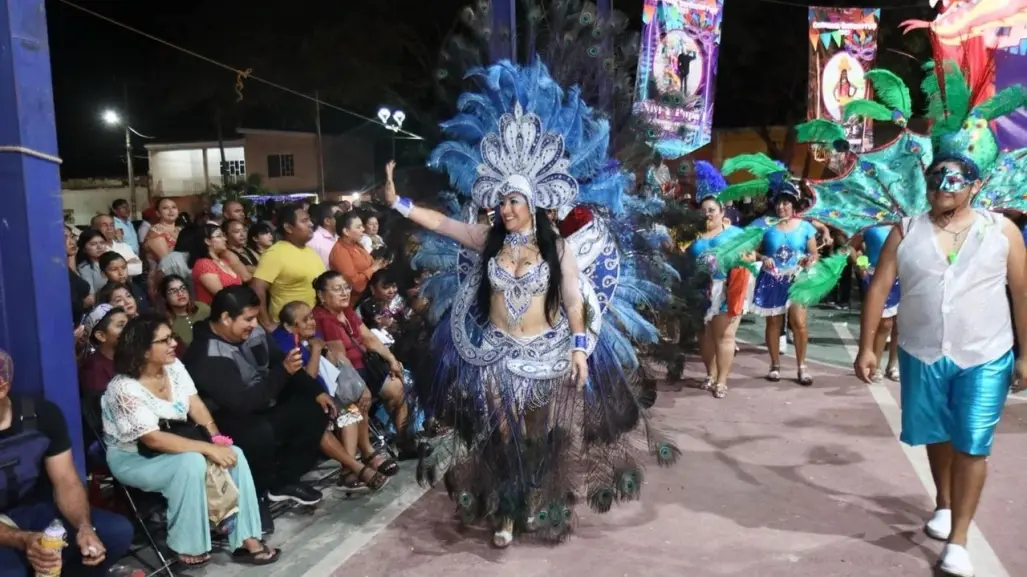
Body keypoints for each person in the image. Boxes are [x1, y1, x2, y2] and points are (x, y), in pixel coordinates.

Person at [382, 60, 680, 547]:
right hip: (497, 354)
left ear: (535, 204)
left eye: (514, 202)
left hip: (545, 354)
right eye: (502, 202)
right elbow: (441, 225)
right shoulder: (487, 239)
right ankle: (506, 512)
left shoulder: (555, 247)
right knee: (503, 436)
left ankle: (535, 499)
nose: (506, 209)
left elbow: (571, 296)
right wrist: (398, 203)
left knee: (537, 435)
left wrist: (580, 349)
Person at [795, 59, 1027, 576]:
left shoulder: (1003, 233)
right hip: (921, 351)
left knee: (972, 440)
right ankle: (944, 506)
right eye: (936, 176)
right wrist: (867, 347)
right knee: (938, 435)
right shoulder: (905, 229)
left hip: (985, 353)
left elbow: (1022, 294)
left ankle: (960, 539)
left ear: (974, 183)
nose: (943, 184)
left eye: (955, 178)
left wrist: (1026, 355)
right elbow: (878, 287)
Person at [101, 315, 279, 567]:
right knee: (191, 464)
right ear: (142, 350)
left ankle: (246, 538)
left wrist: (217, 440)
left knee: (233, 453)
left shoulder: (172, 367)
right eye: (164, 340)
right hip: (134, 458)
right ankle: (186, 544)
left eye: (171, 336)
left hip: (179, 442)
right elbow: (152, 439)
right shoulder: (123, 389)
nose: (174, 343)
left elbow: (195, 404)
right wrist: (208, 448)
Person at [182, 285, 326, 533]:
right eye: (247, 319)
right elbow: (242, 402)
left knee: (313, 410)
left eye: (255, 317)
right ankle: (255, 497)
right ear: (226, 318)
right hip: (227, 418)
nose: (254, 324)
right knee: (258, 433)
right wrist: (282, 372)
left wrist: (317, 392)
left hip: (263, 400)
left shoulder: (254, 332)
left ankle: (283, 482)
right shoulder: (206, 353)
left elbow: (281, 361)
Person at [0, 349, 134, 577]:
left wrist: (84, 527)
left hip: (31, 509)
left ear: (3, 386)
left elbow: (66, 480)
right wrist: (23, 540)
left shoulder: (41, 415)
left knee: (114, 533)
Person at [273, 301, 393, 490]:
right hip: (299, 399)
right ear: (289, 326)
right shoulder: (283, 343)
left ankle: (354, 465)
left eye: (311, 317)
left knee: (354, 407)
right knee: (347, 412)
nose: (312, 322)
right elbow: (308, 379)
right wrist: (316, 350)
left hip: (324, 394)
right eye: (305, 320)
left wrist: (360, 387)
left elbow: (333, 356)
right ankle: (352, 468)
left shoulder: (309, 335)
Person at [687, 192, 751, 398]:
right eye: (704, 211)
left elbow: (749, 255)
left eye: (712, 210)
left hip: (726, 290)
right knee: (704, 336)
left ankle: (722, 381)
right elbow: (684, 261)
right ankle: (710, 374)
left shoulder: (735, 234)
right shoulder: (692, 235)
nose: (708, 214)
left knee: (724, 336)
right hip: (699, 292)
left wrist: (743, 259)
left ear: (722, 212)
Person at [252, 205, 325, 332]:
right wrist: (267, 324)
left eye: (309, 220)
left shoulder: (309, 250)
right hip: (290, 328)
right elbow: (256, 288)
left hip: (313, 324)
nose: (311, 224)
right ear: (288, 228)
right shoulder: (275, 253)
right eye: (304, 221)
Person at [850, 225, 900, 381]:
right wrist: (859, 263)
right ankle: (875, 364)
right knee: (885, 323)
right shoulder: (870, 225)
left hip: (904, 276)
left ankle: (893, 365)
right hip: (875, 276)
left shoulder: (907, 224)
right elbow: (851, 247)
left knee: (901, 324)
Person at [189, 223, 243, 305]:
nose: (225, 239)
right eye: (219, 236)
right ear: (207, 241)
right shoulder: (203, 264)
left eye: (223, 235)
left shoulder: (224, 261)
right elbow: (222, 295)